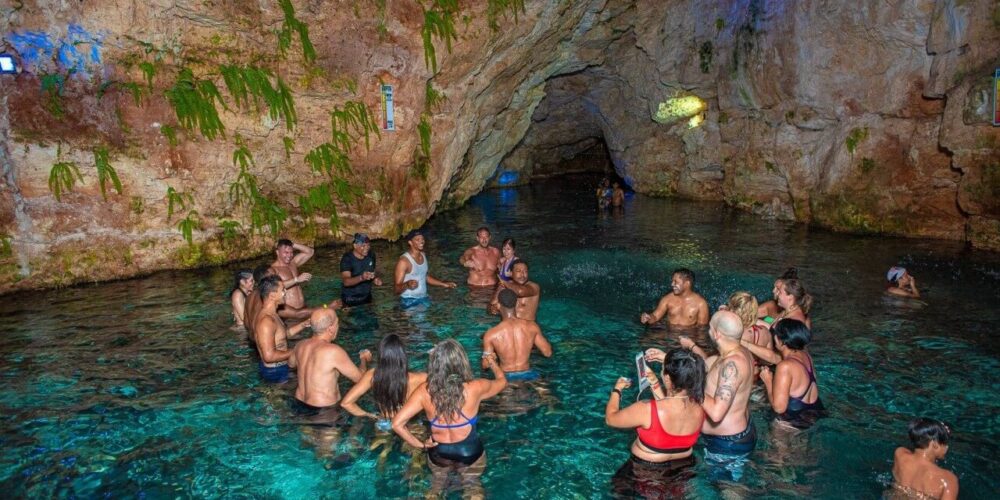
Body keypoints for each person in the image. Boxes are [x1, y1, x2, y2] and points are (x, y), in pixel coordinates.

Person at [391, 340, 507, 499]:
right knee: (473, 487)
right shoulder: (475, 387)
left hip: (440, 453)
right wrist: (492, 363)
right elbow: (502, 382)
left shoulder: (424, 392)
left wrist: (422, 445)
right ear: (462, 362)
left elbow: (397, 424)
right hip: (469, 452)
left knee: (436, 486)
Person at [650, 310, 755, 480]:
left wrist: (691, 384)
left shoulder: (732, 364)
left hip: (728, 444)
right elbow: (710, 370)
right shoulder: (738, 352)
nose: (708, 331)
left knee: (729, 491)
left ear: (717, 334)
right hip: (733, 436)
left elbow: (716, 413)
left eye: (710, 328)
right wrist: (670, 362)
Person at [606, 349, 706, 498]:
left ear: (667, 378)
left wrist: (617, 390)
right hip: (683, 469)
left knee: (617, 492)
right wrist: (654, 384)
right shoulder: (700, 407)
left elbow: (611, 418)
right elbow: (671, 408)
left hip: (645, 472)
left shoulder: (646, 409)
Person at [743, 319, 825, 429]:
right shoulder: (805, 355)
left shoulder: (785, 366)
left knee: (779, 445)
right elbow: (772, 357)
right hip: (814, 411)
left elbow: (779, 408)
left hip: (791, 421)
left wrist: (768, 380)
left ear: (781, 341)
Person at [289, 307, 369, 412]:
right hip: (323, 410)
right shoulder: (333, 351)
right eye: (337, 322)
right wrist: (364, 360)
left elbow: (291, 364)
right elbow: (360, 379)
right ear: (331, 329)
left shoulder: (300, 345)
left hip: (299, 405)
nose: (338, 326)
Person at [342, 334, 428, 431]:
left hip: (384, 423)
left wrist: (369, 415)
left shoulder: (372, 376)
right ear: (402, 356)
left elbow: (346, 403)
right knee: (414, 445)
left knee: (380, 444)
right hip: (410, 422)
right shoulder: (421, 378)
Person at [481, 289, 552, 382]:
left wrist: (492, 358)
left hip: (506, 377)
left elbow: (485, 365)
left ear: (498, 306)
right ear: (517, 303)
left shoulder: (491, 334)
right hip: (528, 375)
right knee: (545, 395)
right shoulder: (532, 327)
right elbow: (547, 353)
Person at [253, 276, 313, 383]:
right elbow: (269, 356)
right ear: (272, 296)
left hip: (281, 368)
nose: (285, 292)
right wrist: (297, 350)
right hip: (275, 372)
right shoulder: (266, 321)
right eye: (282, 290)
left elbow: (281, 336)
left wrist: (303, 325)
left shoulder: (273, 314)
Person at [890, 418, 958, 500]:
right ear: (935, 444)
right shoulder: (948, 480)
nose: (947, 447)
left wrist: (934, 430)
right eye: (945, 442)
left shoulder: (900, 454)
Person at [394, 230, 457, 304]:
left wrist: (443, 284)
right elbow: (396, 289)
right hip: (408, 300)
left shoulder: (423, 255)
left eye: (422, 239)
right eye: (417, 240)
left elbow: (424, 276)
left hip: (423, 298)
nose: (421, 241)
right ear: (410, 242)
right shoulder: (404, 262)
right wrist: (407, 284)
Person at [269, 239, 326, 320]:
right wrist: (296, 279)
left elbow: (310, 252)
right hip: (289, 314)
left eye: (291, 252)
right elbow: (274, 287)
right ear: (277, 252)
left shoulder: (293, 263)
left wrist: (292, 244)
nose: (290, 255)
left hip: (303, 308)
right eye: (286, 252)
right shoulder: (273, 269)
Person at [639, 268, 709, 327]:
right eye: (672, 281)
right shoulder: (667, 299)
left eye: (676, 282)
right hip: (669, 334)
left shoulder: (701, 304)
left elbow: (701, 329)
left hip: (688, 336)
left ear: (687, 283)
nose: (672, 284)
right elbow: (656, 316)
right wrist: (648, 318)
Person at [340, 233, 382, 307]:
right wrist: (361, 278)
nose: (366, 248)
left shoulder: (371, 255)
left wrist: (375, 279)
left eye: (368, 245)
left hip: (367, 297)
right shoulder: (347, 259)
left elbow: (372, 272)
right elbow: (346, 281)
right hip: (350, 299)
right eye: (363, 246)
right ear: (355, 246)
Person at [244, 265, 275, 341]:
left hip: (252, 340)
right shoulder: (265, 297)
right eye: (274, 276)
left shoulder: (249, 297)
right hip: (263, 341)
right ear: (267, 279)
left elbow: (246, 323)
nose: (278, 278)